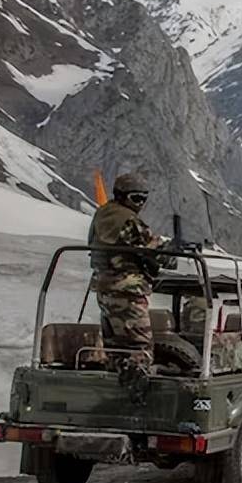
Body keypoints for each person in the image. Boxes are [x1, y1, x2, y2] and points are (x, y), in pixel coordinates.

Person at [88, 172, 166, 401]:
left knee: (115, 347)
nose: (141, 204)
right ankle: (136, 402)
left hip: (104, 289)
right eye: (136, 198)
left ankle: (112, 397)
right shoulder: (127, 220)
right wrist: (170, 250)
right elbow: (152, 246)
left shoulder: (103, 214)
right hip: (127, 291)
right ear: (122, 196)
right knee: (139, 347)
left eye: (144, 199)